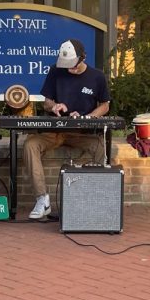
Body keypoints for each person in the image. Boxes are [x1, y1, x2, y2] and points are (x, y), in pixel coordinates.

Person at [23, 38, 111, 219]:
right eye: (67, 65)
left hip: (80, 132)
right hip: (55, 131)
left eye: (73, 65)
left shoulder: (97, 76)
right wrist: (54, 106)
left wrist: (89, 117)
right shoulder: (56, 71)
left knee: (102, 147)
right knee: (30, 144)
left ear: (82, 58)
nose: (69, 69)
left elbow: (105, 105)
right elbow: (47, 102)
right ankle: (42, 199)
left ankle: (98, 198)